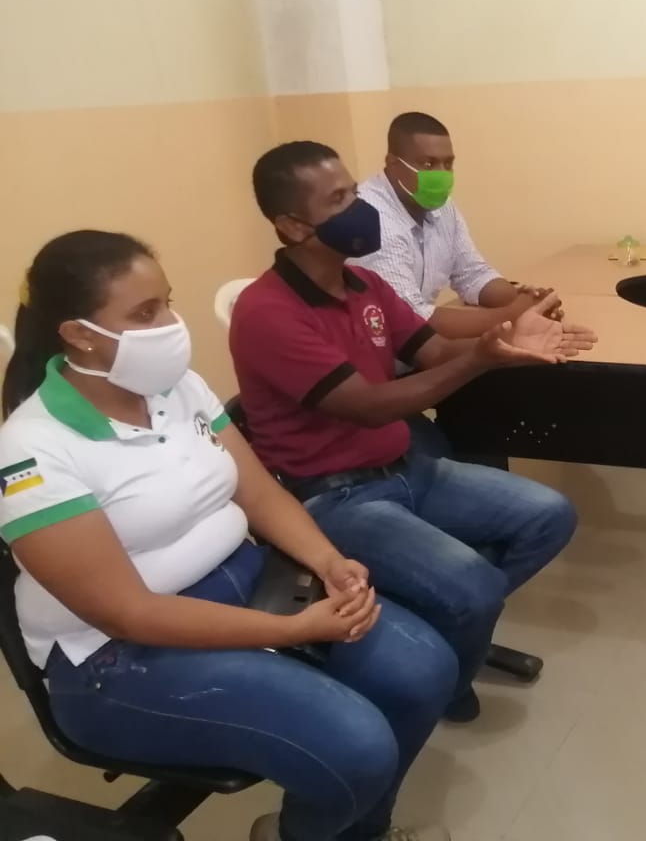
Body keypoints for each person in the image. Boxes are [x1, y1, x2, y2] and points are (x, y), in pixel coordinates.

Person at [0, 230, 456, 841]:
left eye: (166, 302)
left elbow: (259, 491)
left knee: (424, 670)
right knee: (358, 745)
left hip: (241, 580)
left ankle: (353, 831)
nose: (170, 324)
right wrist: (293, 630)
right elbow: (128, 613)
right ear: (79, 335)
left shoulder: (177, 387)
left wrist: (328, 560)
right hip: (115, 658)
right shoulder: (31, 450)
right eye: (144, 313)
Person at [230, 141, 595, 722]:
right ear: (293, 226)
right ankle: (450, 665)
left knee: (549, 516)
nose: (361, 208)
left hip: (408, 469)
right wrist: (479, 361)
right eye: (339, 199)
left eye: (354, 191)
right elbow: (370, 406)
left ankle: (449, 628)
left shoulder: (364, 286)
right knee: (474, 587)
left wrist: (503, 341)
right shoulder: (266, 312)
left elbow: (434, 351)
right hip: (334, 497)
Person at [352, 112, 558, 339]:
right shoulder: (372, 219)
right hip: (379, 352)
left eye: (448, 164)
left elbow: (472, 273)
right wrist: (514, 314)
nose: (441, 174)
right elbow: (412, 320)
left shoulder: (441, 207)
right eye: (428, 164)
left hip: (422, 347)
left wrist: (527, 299)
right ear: (392, 163)